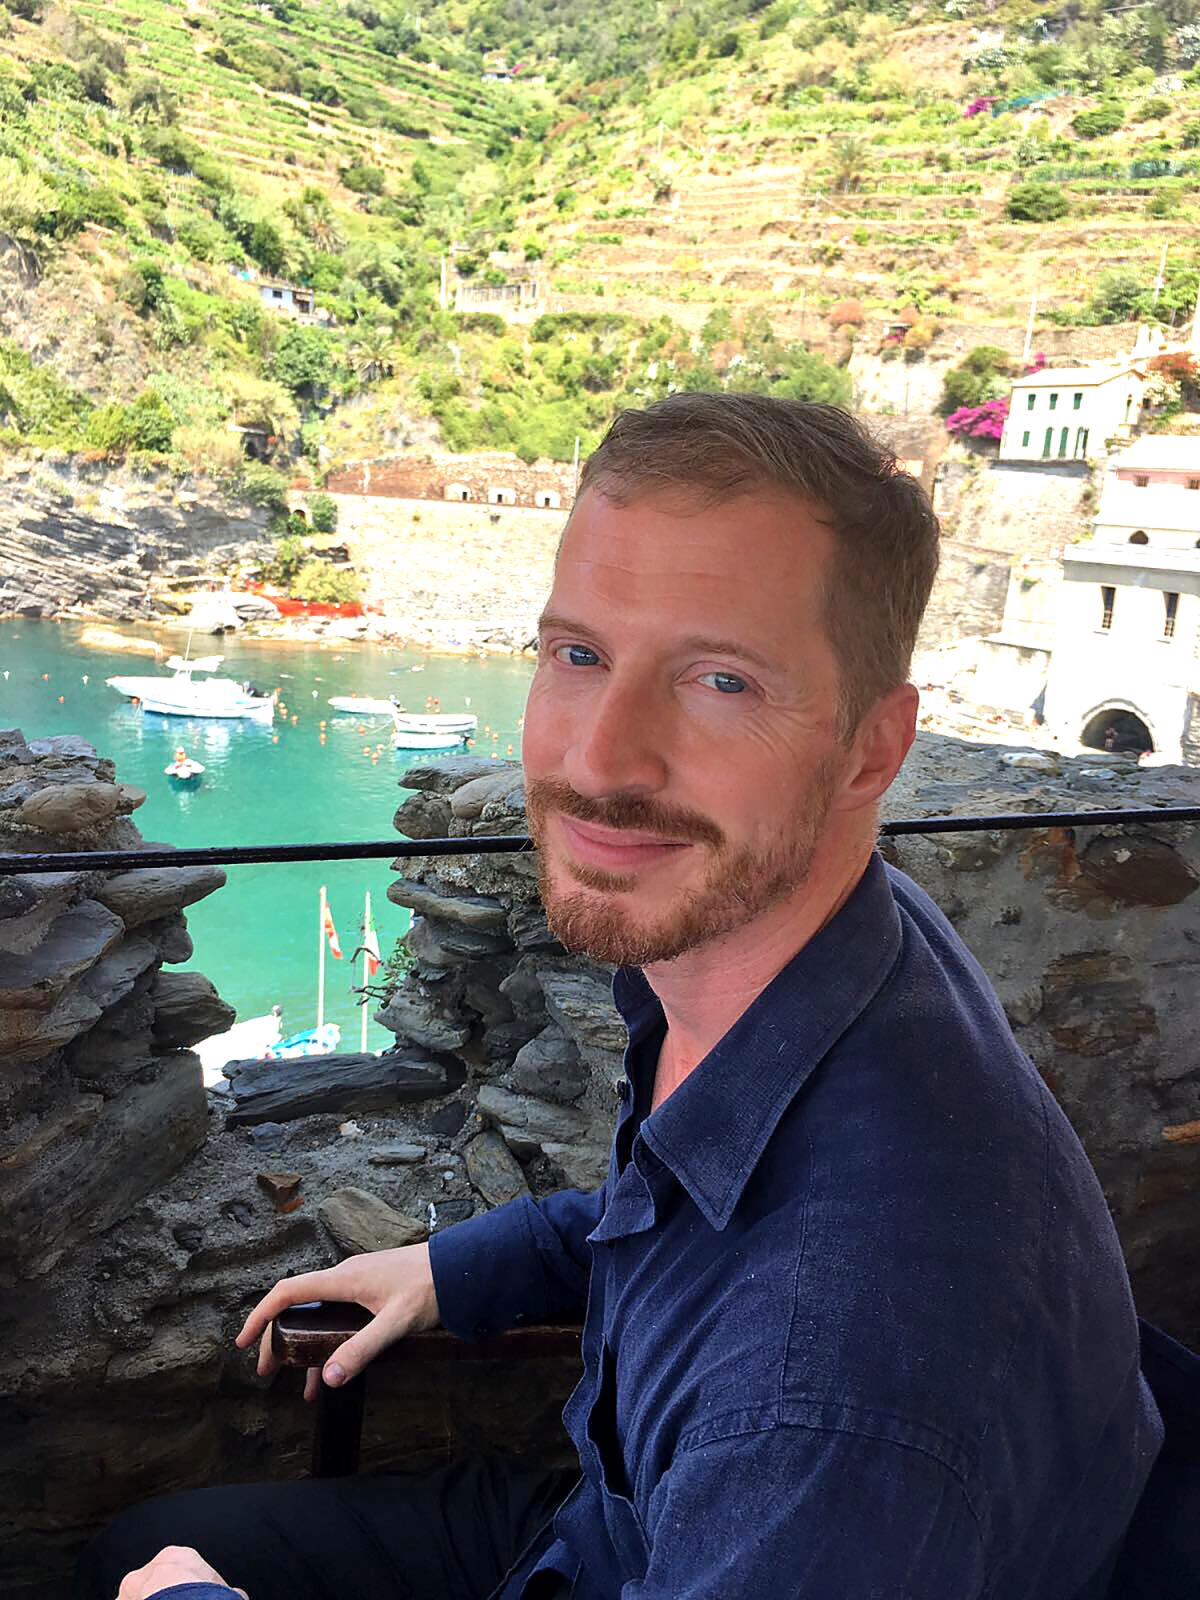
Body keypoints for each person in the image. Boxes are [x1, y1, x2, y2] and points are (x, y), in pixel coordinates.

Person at [82, 394, 1163, 1600]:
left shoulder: (828, 1408)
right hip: (610, 1520)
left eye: (720, 681)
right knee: (137, 1540)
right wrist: (460, 1266)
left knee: (150, 1573)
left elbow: (790, 1318)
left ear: (870, 747)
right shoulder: (815, 955)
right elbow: (699, 1209)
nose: (599, 762)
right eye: (580, 654)